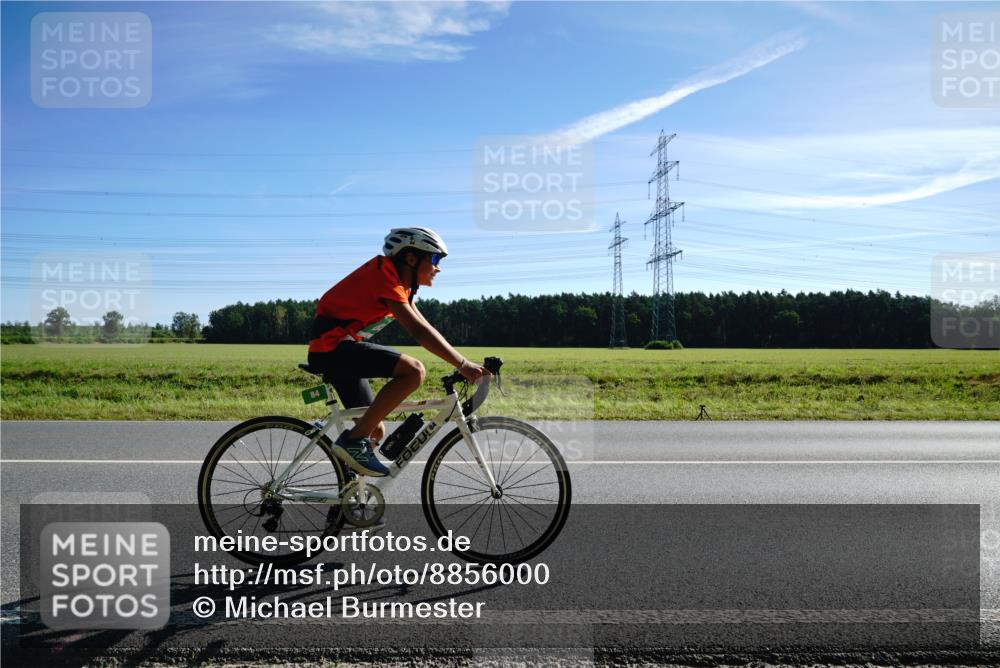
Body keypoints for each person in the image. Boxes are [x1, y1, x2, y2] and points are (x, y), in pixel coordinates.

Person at [307, 227, 489, 477]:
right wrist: (463, 365)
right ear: (411, 258)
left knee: (376, 430)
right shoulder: (384, 275)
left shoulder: (400, 287)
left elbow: (426, 327)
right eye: (435, 259)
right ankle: (352, 441)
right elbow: (418, 332)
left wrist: (465, 362)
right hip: (332, 349)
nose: (438, 268)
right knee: (414, 371)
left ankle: (350, 498)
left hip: (339, 350)